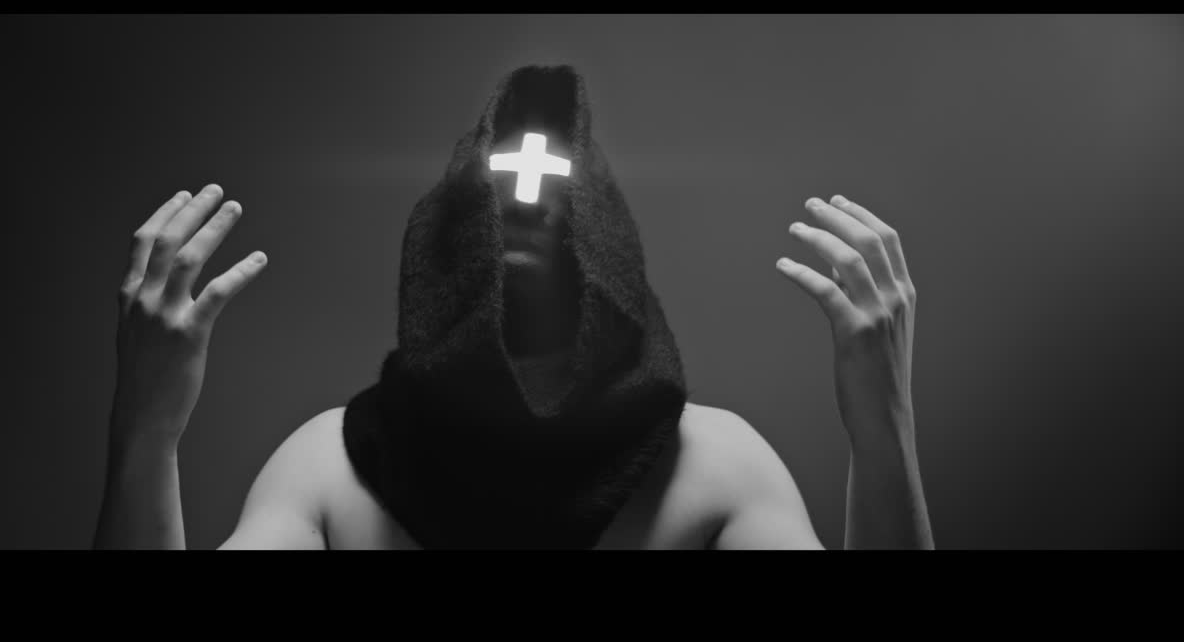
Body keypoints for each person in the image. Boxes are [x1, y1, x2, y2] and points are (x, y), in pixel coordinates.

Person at [93, 65, 933, 550]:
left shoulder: (715, 467)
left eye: (556, 188)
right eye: (497, 185)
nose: (523, 207)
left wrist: (883, 425)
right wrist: (145, 432)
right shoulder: (331, 469)